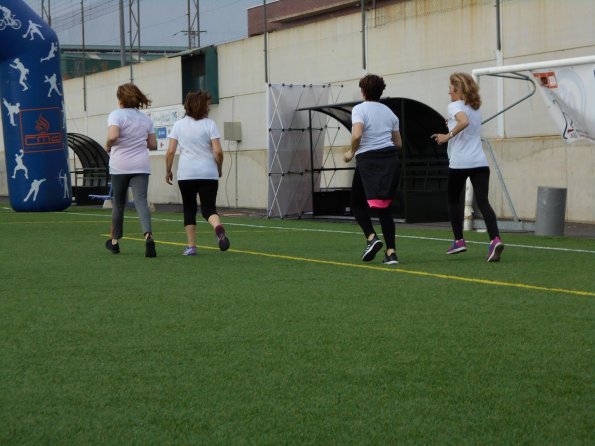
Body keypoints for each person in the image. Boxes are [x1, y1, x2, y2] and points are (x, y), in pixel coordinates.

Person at [431, 72, 504, 262]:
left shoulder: (454, 105)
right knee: (483, 202)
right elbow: (465, 123)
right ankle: (495, 239)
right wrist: (451, 125)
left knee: (453, 201)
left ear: (458, 89)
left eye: (450, 89)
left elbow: (464, 121)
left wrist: (446, 136)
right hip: (480, 162)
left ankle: (459, 241)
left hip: (460, 163)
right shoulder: (475, 108)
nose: (449, 93)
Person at [344, 74, 402, 265]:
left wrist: (350, 152)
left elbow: (357, 134)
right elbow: (398, 143)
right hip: (390, 160)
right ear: (380, 91)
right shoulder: (390, 113)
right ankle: (391, 253)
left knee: (357, 205)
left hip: (368, 161)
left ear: (363, 91)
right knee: (385, 208)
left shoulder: (359, 109)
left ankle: (371, 237)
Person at [165, 90, 230, 256]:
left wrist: (168, 171)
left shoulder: (178, 125)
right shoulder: (210, 124)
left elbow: (170, 152)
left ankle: (191, 246)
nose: (209, 107)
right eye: (207, 104)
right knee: (209, 208)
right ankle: (218, 228)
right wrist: (219, 168)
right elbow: (218, 152)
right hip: (208, 173)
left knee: (189, 208)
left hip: (186, 174)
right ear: (201, 106)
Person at [105, 83, 157, 257]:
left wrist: (108, 145)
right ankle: (148, 235)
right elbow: (153, 144)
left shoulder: (116, 115)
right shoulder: (146, 119)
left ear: (121, 100)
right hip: (141, 165)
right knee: (141, 201)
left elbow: (113, 135)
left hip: (120, 166)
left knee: (119, 203)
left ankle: (114, 241)